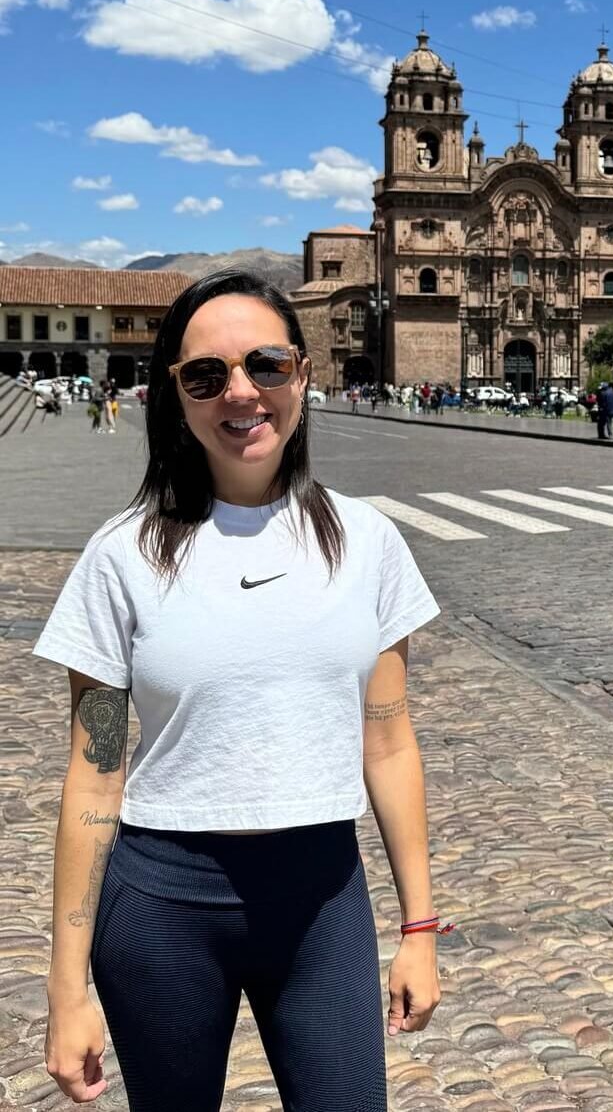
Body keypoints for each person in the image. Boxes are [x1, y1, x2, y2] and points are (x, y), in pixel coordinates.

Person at [36, 270, 444, 1111]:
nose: (240, 391)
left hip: (321, 896)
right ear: (175, 396)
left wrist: (418, 927)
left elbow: (390, 741)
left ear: (301, 374)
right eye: (205, 375)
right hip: (161, 904)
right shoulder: (121, 559)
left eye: (264, 364)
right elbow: (94, 772)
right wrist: (65, 986)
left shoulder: (366, 543)